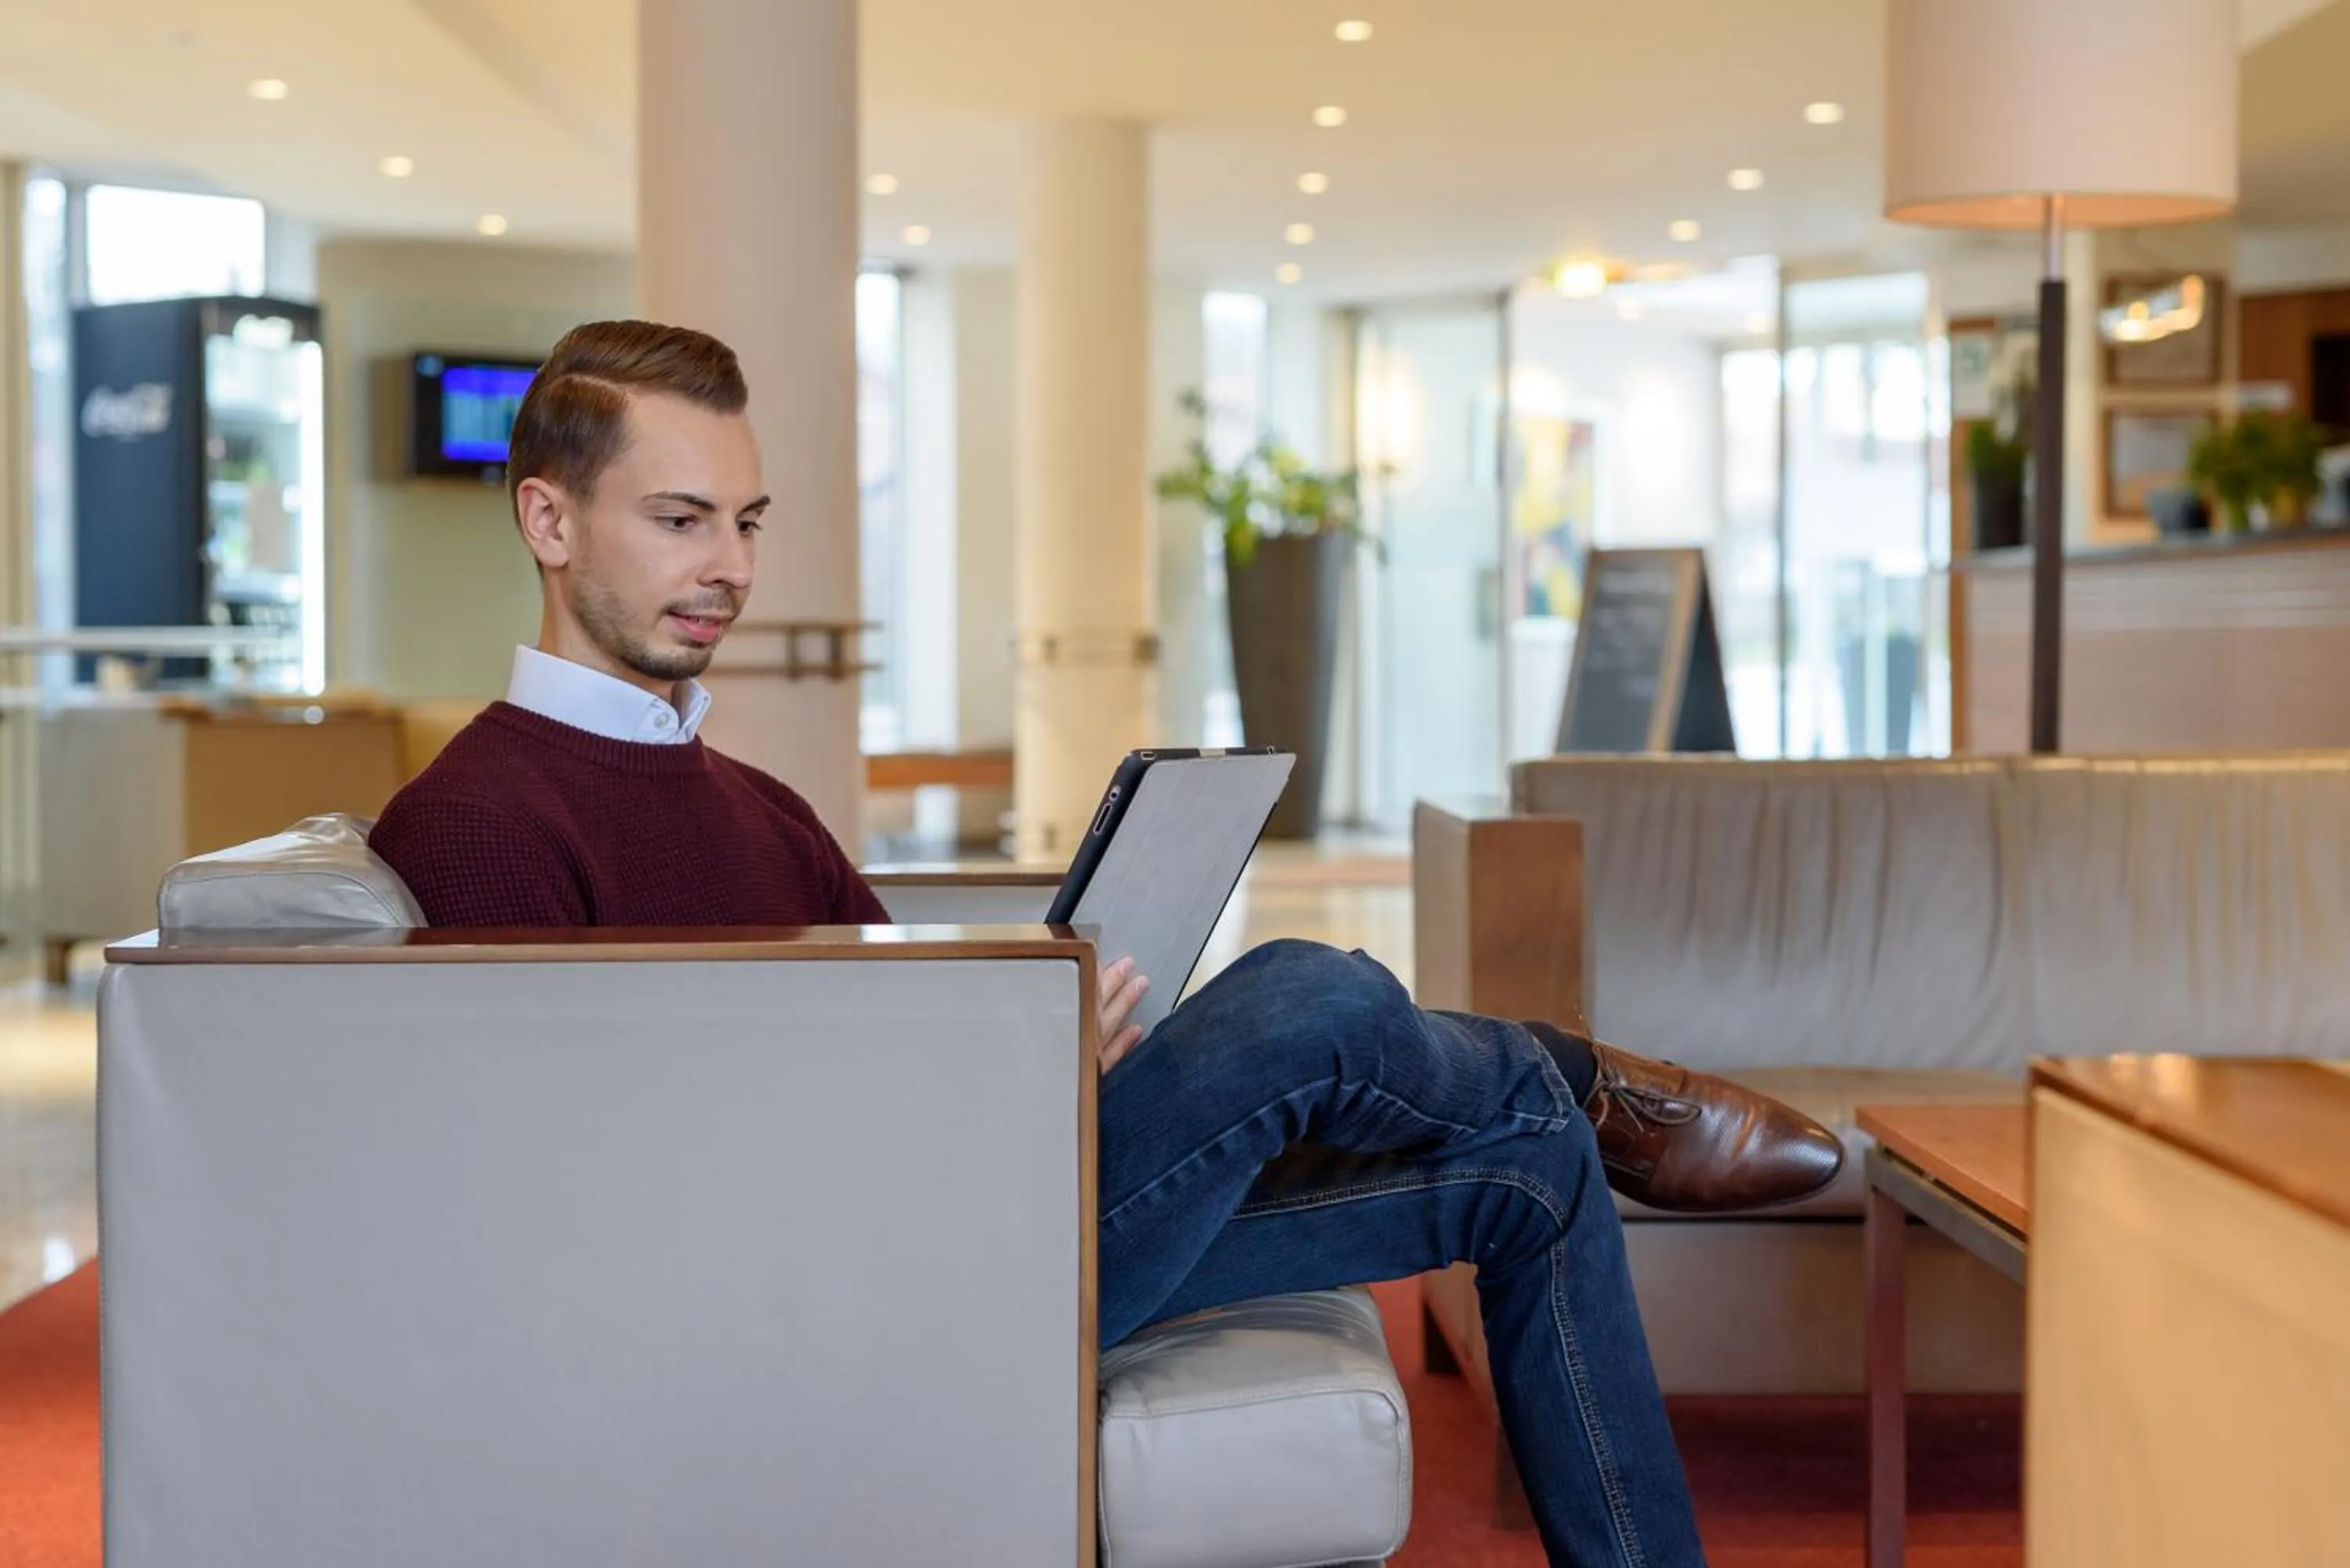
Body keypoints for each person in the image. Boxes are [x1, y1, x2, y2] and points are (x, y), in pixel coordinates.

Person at [370, 320, 1844, 1566]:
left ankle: (1568, 1115)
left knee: (1529, 1168)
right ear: (550, 522)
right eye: (680, 520)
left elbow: (884, 1019)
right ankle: (1575, 1069)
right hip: (870, 1279)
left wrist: (1027, 1028)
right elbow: (591, 1196)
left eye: (747, 523)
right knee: (1308, 990)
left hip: (975, 1199)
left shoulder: (748, 800)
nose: (730, 568)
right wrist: (990, 1075)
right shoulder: (477, 824)